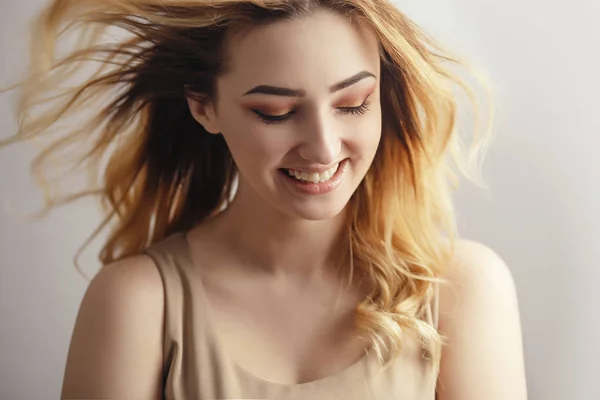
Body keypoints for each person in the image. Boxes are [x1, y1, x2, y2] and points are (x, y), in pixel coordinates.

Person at [1, 0, 527, 398]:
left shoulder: (461, 292)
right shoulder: (140, 304)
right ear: (204, 107)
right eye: (275, 112)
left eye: (353, 103)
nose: (323, 147)